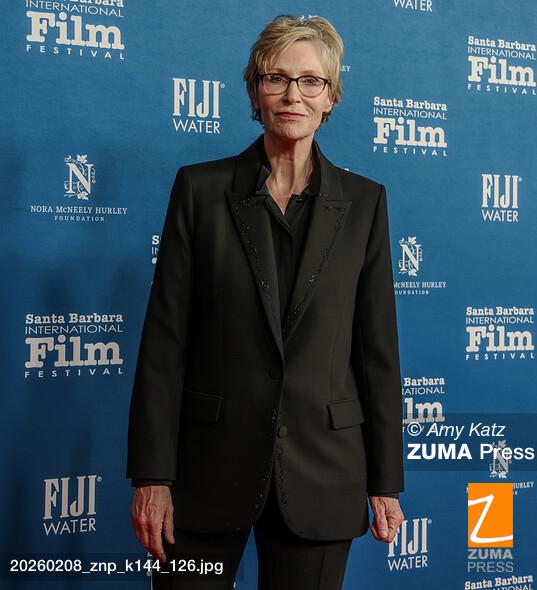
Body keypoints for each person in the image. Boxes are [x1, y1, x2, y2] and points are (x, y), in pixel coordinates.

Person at [127, 14, 404, 590]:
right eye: (276, 78)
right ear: (255, 91)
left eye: (311, 81)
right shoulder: (200, 191)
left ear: (331, 97)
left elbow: (376, 353)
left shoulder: (365, 203)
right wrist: (153, 476)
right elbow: (164, 343)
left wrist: (386, 480)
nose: (293, 94)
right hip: (206, 469)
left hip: (323, 469)